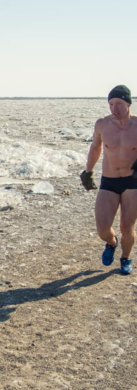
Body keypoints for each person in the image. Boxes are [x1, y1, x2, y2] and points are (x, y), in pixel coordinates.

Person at [81, 84, 136, 275]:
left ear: (128, 103)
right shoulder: (102, 125)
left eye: (119, 103)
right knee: (103, 229)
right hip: (109, 181)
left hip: (133, 182)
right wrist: (88, 172)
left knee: (126, 226)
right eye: (111, 104)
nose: (114, 108)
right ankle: (112, 243)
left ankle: (125, 258)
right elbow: (95, 148)